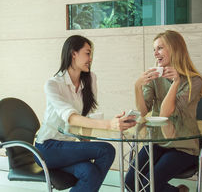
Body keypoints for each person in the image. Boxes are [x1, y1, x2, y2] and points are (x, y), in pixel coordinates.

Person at [35, 35, 136, 192]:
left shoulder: (90, 80)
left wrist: (85, 147)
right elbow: (72, 118)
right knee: (107, 150)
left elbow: (86, 118)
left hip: (67, 147)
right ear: (73, 53)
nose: (91, 58)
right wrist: (110, 124)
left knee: (89, 171)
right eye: (87, 53)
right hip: (47, 148)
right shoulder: (53, 84)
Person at [125, 30, 202, 192]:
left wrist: (176, 82)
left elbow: (164, 114)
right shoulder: (156, 77)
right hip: (157, 142)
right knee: (131, 182)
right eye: (154, 49)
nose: (155, 53)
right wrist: (137, 86)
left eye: (160, 48)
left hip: (183, 147)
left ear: (175, 49)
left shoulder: (194, 81)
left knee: (150, 187)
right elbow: (143, 110)